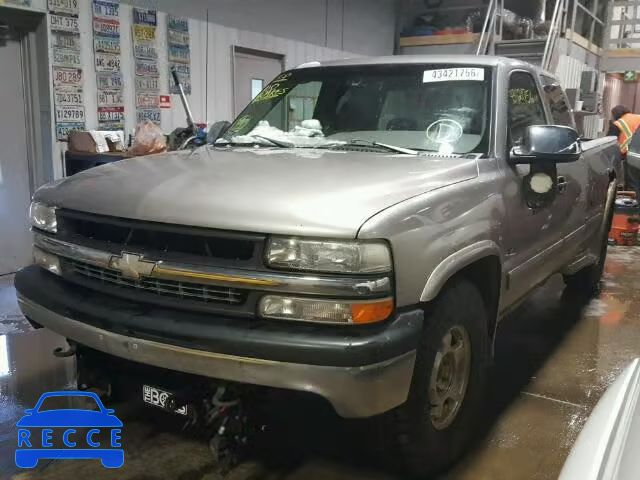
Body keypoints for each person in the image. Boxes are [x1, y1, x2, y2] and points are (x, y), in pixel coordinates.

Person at [608, 105, 640, 199]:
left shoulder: (618, 124)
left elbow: (609, 141)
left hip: (632, 156)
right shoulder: (638, 117)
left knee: (633, 184)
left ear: (615, 115)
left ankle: (634, 204)